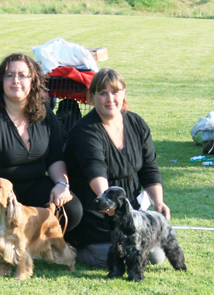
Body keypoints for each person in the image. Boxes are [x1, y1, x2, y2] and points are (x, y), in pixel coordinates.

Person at [0, 53, 83, 267]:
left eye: (23, 75)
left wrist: (62, 184)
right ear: (0, 81)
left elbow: (55, 158)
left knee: (73, 209)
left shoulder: (46, 116)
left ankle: (34, 244)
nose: (16, 80)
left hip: (30, 183)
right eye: (9, 75)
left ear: (33, 82)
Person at [64, 68, 169, 267]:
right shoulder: (85, 131)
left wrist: (158, 202)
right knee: (125, 258)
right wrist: (108, 202)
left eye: (115, 92)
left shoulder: (137, 123)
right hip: (97, 215)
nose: (110, 99)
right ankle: (75, 250)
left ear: (124, 94)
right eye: (103, 93)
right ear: (92, 97)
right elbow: (96, 170)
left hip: (131, 214)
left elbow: (149, 168)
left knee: (156, 256)